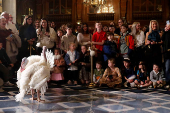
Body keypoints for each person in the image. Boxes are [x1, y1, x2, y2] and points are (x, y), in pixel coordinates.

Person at [162, 20, 170, 89]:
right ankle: (168, 82)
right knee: (167, 68)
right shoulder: (166, 32)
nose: (167, 25)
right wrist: (165, 31)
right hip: (167, 53)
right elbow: (162, 39)